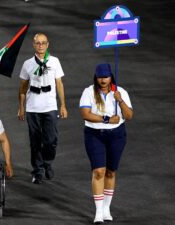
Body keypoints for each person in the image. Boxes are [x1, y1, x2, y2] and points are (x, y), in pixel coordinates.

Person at [79, 63, 133, 224]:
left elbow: (129, 116)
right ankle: (98, 212)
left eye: (106, 77)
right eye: (100, 77)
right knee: (99, 171)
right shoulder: (88, 92)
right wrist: (107, 119)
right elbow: (85, 114)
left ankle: (106, 209)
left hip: (117, 136)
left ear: (111, 77)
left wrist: (120, 100)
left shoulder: (120, 92)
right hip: (94, 135)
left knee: (110, 171)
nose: (103, 80)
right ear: (96, 77)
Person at [18, 33, 67, 184]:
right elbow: (22, 87)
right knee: (35, 141)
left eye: (43, 43)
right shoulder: (27, 64)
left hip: (50, 107)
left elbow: (59, 84)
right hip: (33, 108)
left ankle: (48, 162)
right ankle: (37, 170)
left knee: (51, 139)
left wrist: (63, 105)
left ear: (48, 45)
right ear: (33, 45)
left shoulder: (54, 61)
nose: (40, 46)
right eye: (38, 43)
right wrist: (21, 107)